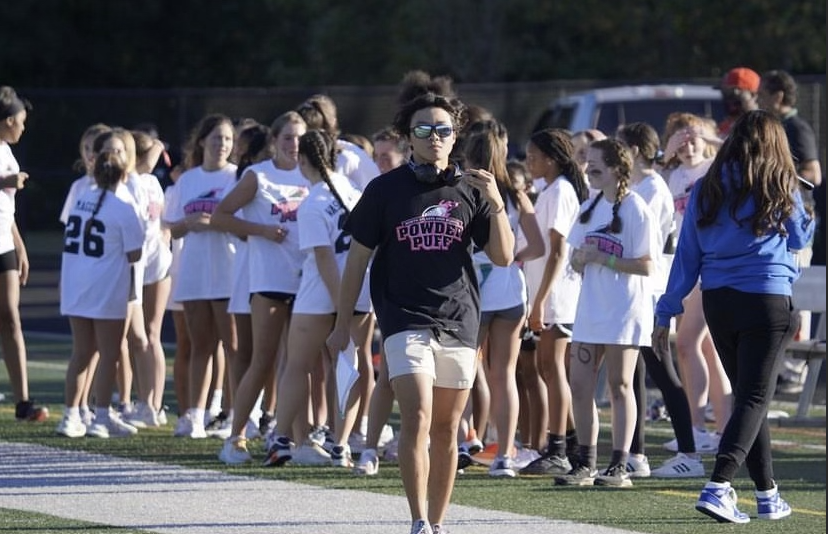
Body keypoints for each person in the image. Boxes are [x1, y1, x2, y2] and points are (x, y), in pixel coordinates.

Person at [326, 92, 514, 534]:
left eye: (443, 130)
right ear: (409, 138)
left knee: (448, 429)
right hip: (404, 315)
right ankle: (417, 520)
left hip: (460, 318)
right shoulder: (384, 189)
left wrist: (497, 200)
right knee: (418, 415)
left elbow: (504, 256)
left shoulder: (473, 187)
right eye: (424, 130)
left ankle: (438, 521)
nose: (435, 138)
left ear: (455, 136)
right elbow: (356, 261)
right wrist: (342, 325)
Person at [653, 110, 814, 523]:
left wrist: (667, 309)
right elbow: (799, 237)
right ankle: (719, 485)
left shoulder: (707, 187)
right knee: (755, 397)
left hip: (718, 300)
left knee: (747, 397)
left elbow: (687, 255)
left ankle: (767, 493)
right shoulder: (780, 183)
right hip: (766, 298)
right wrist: (806, 212)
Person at [555, 138, 657, 488]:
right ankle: (585, 462)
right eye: (588, 163)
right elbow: (573, 256)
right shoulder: (589, 206)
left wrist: (604, 258)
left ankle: (620, 464)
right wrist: (579, 258)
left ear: (617, 168)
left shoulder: (636, 208)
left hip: (624, 311)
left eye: (596, 165)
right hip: (589, 310)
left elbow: (647, 266)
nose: (588, 170)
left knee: (620, 385)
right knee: (580, 387)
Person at [211, 111, 309, 462]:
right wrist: (262, 232)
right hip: (269, 280)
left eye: (299, 138)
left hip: (306, 282)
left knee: (299, 362)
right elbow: (221, 216)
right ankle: (234, 438)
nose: (294, 145)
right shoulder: (258, 175)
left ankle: (300, 441)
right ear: (274, 141)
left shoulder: (312, 175)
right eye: (287, 138)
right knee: (262, 360)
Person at [616, 122, 704, 478]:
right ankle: (636, 452)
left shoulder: (652, 187)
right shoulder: (640, 185)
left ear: (634, 150)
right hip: (636, 290)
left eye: (620, 146)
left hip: (651, 291)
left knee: (662, 372)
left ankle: (689, 452)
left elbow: (639, 240)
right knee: (635, 369)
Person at [464, 119, 544, 478]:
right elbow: (539, 246)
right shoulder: (515, 193)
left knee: (463, 371)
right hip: (510, 291)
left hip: (474, 291)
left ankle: (465, 442)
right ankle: (505, 456)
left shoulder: (464, 188)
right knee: (504, 375)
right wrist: (513, 257)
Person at [56, 147, 144, 438]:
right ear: (124, 174)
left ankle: (70, 415)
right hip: (106, 288)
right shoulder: (123, 208)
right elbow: (134, 254)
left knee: (81, 352)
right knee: (109, 354)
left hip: (75, 285)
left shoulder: (81, 199)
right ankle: (101, 416)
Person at [162, 113, 238, 439]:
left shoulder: (238, 177)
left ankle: (236, 416)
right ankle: (194, 415)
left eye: (228, 139)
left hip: (227, 270)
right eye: (217, 138)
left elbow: (242, 225)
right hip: (194, 271)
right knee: (199, 345)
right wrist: (190, 224)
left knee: (234, 347)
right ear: (203, 141)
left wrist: (216, 223)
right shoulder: (187, 180)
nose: (222, 144)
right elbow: (173, 228)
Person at [519, 128, 589, 477]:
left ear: (552, 159)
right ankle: (574, 443)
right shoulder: (549, 191)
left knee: (553, 368)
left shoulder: (560, 192)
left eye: (533, 157)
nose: (528, 162)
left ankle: (558, 447)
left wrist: (540, 301)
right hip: (547, 295)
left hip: (557, 296)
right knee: (548, 369)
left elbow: (558, 250)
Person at [661, 113, 732, 452]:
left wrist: (711, 139)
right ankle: (724, 428)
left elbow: (741, 152)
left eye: (693, 139)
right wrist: (667, 151)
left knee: (687, 345)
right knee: (704, 349)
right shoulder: (672, 174)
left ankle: (697, 427)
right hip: (684, 265)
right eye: (681, 140)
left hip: (709, 267)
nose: (687, 146)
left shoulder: (714, 170)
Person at [757, 69, 823, 394]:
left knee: (798, 295)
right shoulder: (774, 127)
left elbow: (814, 173)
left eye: (762, 93)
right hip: (776, 221)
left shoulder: (796, 128)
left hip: (796, 221)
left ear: (778, 96)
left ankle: (795, 370)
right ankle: (782, 365)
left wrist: (778, 170)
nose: (757, 99)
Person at [0, 86, 48, 422]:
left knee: (11, 317)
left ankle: (23, 402)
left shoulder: (6, 150)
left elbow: (6, 206)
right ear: (6, 120)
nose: (23, 127)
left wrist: (18, 243)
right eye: (20, 121)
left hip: (2, 241)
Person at [716, 67, 760, 138]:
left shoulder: (761, 125)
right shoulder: (723, 127)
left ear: (753, 95)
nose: (729, 99)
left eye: (734, 94)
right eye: (725, 93)